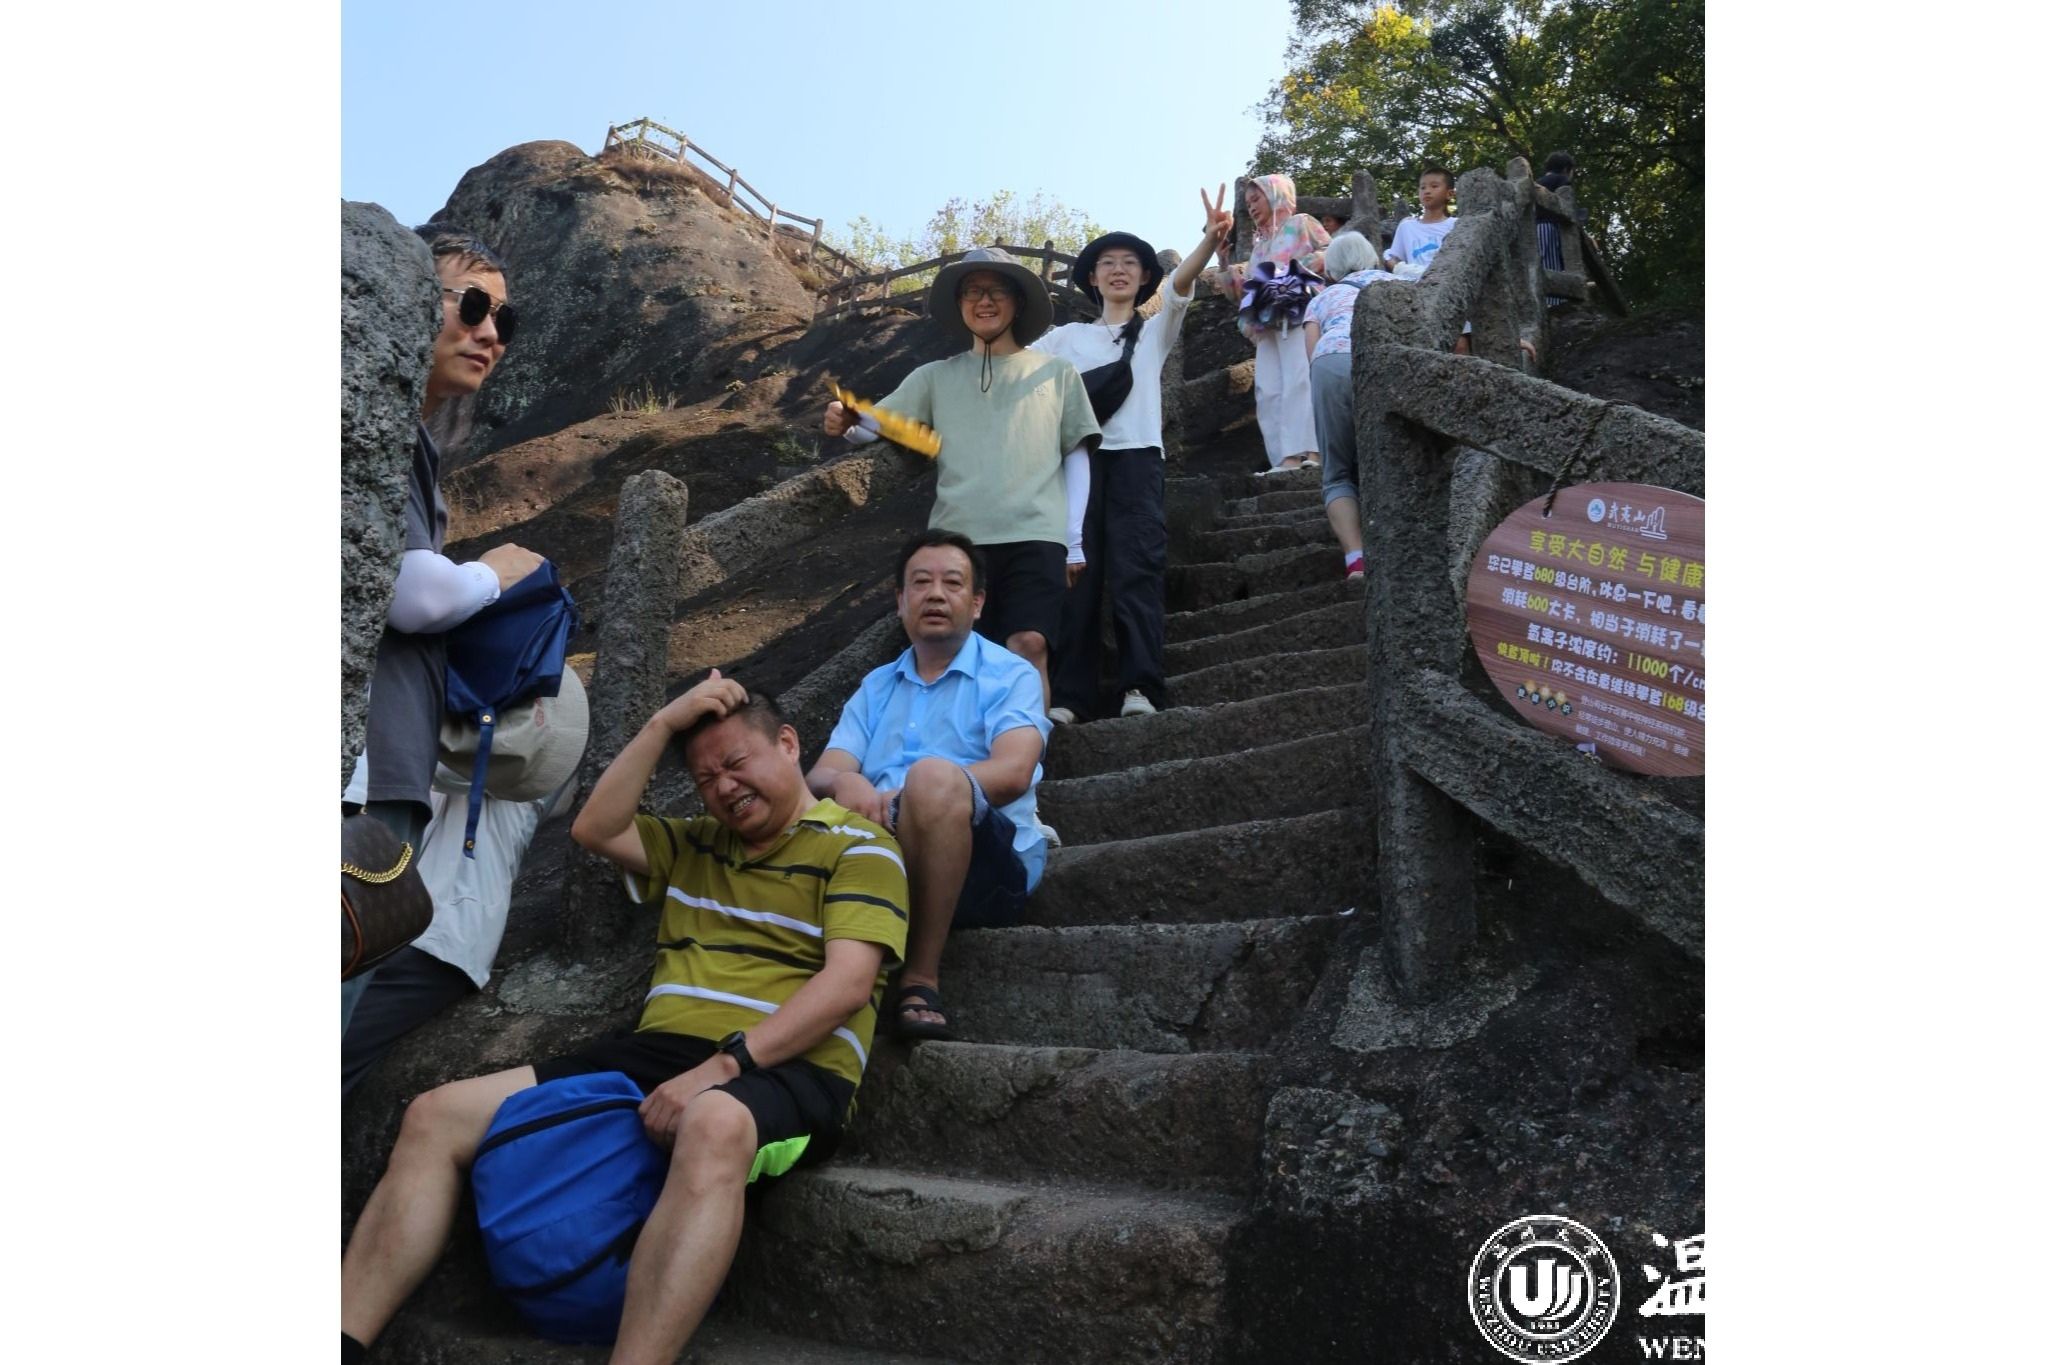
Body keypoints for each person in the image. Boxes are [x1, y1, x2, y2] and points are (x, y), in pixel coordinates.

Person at [341, 677, 906, 1365]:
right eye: (705, 779)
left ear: (788, 744)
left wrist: (724, 1065)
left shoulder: (859, 846)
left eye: (736, 763)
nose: (724, 787)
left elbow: (847, 986)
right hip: (657, 1051)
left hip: (790, 1066)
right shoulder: (694, 844)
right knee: (436, 1115)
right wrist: (661, 722)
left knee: (714, 1121)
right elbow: (595, 829)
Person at [347, 226, 546, 1033]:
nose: (490, 333)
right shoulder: (382, 426)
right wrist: (494, 572)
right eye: (470, 306)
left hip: (388, 770)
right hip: (365, 775)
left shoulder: (414, 441)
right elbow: (412, 596)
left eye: (504, 319)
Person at [824, 247, 1100, 706]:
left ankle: (1031, 748)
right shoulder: (934, 377)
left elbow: (1077, 453)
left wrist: (1074, 540)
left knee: (1029, 644)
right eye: (972, 291)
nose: (984, 301)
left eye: (996, 291)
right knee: (962, 657)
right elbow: (875, 425)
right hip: (957, 541)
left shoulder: (1057, 373)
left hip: (1037, 535)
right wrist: (845, 420)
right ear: (959, 304)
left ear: (1018, 302)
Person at [805, 531, 1051, 1041]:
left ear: (977, 603)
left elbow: (1013, 771)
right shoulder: (876, 685)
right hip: (880, 850)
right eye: (920, 583)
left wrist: (907, 799)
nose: (935, 594)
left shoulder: (1011, 675)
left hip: (987, 866)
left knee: (933, 776)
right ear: (900, 601)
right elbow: (822, 774)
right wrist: (847, 781)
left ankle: (919, 978)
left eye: (952, 583)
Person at [1032, 189, 1234, 724]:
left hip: (1138, 461)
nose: (1118, 270)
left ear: (1144, 277)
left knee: (1136, 571)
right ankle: (1070, 695)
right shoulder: (1064, 339)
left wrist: (1210, 239)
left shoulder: (1154, 331)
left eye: (1129, 263)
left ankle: (1140, 685)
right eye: (1107, 263)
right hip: (1076, 463)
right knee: (1076, 576)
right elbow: (1013, 368)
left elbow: (1182, 283)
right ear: (1092, 278)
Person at [339, 671, 587, 1096]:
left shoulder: (505, 755)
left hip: (428, 939)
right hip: (415, 929)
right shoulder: (500, 746)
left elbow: (440, 759)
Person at [1215, 174, 1330, 475]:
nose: (1252, 207)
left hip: (1299, 313)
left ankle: (1313, 452)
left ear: (1277, 194)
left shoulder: (1302, 223)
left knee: (1300, 380)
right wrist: (1224, 263)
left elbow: (1331, 252)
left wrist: (1290, 274)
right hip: (1266, 323)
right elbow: (1241, 293)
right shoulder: (1258, 248)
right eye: (1248, 203)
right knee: (1268, 390)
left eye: (1257, 198)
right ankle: (1284, 459)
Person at [1300, 233, 1397, 586]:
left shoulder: (1321, 299)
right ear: (1371, 256)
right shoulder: (1394, 283)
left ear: (1331, 269)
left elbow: (1312, 355)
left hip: (1330, 361)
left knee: (1337, 473)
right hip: (1384, 362)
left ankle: (1356, 559)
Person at [1536, 151, 1575, 307]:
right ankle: (1555, 303)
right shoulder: (1562, 180)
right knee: (1553, 266)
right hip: (1550, 227)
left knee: (1541, 265)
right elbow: (1568, 209)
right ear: (1566, 169)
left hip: (1533, 230)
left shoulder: (1537, 183)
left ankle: (1542, 302)